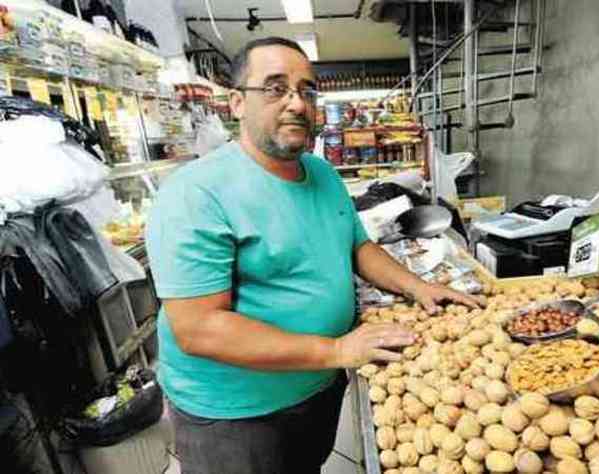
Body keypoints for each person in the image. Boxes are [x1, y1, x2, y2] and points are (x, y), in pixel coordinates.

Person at [145, 37, 480, 474]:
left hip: (316, 386)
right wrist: (338, 350)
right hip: (236, 414)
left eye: (307, 90)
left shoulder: (321, 172)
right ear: (236, 103)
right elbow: (199, 329)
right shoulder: (195, 194)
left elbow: (356, 247)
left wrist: (419, 286)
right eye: (275, 87)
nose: (297, 103)